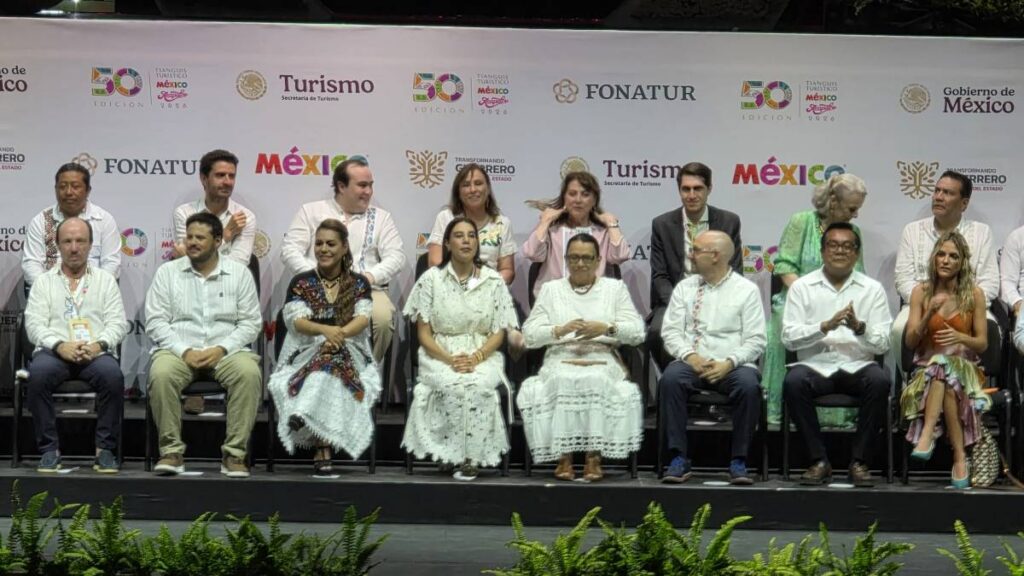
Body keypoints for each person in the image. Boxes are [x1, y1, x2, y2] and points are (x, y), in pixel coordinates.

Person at [519, 233, 644, 481]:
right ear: (565, 259)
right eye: (574, 257)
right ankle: (563, 457)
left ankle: (593, 457)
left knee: (595, 379)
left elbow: (638, 332)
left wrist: (607, 328)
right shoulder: (551, 290)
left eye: (587, 258)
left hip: (602, 355)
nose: (580, 263)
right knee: (563, 378)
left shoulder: (614, 289)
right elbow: (530, 334)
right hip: (560, 355)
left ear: (598, 260)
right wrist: (559, 330)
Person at [145, 212, 262, 478]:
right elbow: (155, 321)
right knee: (161, 374)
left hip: (226, 352)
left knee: (248, 373)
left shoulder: (239, 274)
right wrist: (183, 350)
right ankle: (171, 453)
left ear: (218, 240)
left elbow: (251, 323)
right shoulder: (167, 273)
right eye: (189, 237)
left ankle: (234, 455)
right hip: (179, 350)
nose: (192, 243)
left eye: (200, 237)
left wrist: (221, 349)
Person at [403, 217, 519, 480]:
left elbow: (498, 332)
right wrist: (450, 359)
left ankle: (470, 458)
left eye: (471, 235)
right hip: (439, 353)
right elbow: (424, 333)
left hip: (483, 354)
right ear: (447, 243)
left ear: (478, 243)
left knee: (476, 387)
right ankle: (449, 453)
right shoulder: (431, 280)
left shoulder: (493, 281)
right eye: (459, 235)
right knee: (453, 385)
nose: (466, 240)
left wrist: (476, 357)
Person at [782, 223, 892, 487]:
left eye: (847, 246)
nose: (840, 251)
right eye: (833, 245)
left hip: (857, 365)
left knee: (880, 380)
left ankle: (859, 462)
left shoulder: (872, 289)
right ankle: (818, 460)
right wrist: (824, 327)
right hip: (816, 366)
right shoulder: (802, 287)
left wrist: (859, 327)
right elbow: (788, 336)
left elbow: (884, 343)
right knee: (793, 382)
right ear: (822, 251)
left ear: (856, 253)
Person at [268, 219, 380, 475]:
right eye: (318, 244)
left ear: (344, 248)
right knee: (327, 364)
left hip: (350, 345)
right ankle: (323, 444)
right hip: (307, 348)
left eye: (331, 244)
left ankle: (305, 415)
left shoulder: (359, 283)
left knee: (330, 361)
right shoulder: (301, 282)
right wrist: (325, 331)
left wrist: (338, 335)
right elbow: (297, 321)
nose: (323, 249)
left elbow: (362, 320)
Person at [658, 231, 765, 485]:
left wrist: (728, 363)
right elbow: (670, 331)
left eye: (696, 250)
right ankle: (677, 457)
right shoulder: (685, 288)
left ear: (715, 256)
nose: (690, 255)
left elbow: (756, 339)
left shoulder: (746, 290)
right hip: (693, 362)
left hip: (733, 365)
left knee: (749, 386)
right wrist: (691, 356)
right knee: (670, 380)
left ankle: (739, 460)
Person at [24, 217, 127, 473]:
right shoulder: (44, 282)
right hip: (55, 352)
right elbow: (34, 325)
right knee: (37, 376)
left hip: (94, 352)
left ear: (91, 245)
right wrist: (59, 345)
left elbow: (118, 324)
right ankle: (49, 449)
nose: (74, 247)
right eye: (67, 241)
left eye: (80, 241)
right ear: (58, 245)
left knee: (113, 377)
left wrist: (98, 345)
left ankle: (105, 450)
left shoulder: (105, 280)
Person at [764, 173, 868, 427]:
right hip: (798, 298)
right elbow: (784, 266)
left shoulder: (853, 232)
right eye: (852, 208)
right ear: (833, 200)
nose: (856, 215)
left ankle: (839, 412)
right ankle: (776, 414)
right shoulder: (801, 222)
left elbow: (860, 275)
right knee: (782, 323)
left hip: (840, 302)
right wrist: (809, 296)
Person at [281, 158, 405, 363]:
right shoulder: (310, 211)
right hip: (316, 290)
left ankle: (363, 373)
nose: (368, 191)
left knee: (383, 320)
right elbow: (289, 250)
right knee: (298, 319)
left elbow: (397, 256)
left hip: (367, 290)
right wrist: (316, 278)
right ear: (341, 186)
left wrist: (368, 278)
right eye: (362, 185)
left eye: (371, 185)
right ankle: (311, 369)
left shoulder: (382, 218)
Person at [901, 231, 989, 489]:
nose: (946, 260)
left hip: (967, 369)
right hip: (926, 370)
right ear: (933, 258)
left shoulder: (974, 295)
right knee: (941, 370)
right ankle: (960, 457)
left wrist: (961, 336)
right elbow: (910, 342)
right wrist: (929, 313)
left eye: (953, 256)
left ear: (962, 262)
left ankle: (927, 435)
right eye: (941, 254)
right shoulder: (921, 292)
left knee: (946, 369)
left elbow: (982, 344)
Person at [894, 171, 998, 373]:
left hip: (969, 301)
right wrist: (928, 301)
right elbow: (903, 279)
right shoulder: (912, 231)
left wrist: (960, 302)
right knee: (900, 329)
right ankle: (912, 382)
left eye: (948, 193)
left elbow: (990, 282)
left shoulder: (981, 232)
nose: (938, 197)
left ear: (964, 203)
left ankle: (975, 380)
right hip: (922, 301)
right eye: (936, 191)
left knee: (990, 329)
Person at [649, 162, 743, 371]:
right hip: (675, 297)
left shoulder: (729, 221)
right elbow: (660, 276)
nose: (691, 195)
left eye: (698, 188)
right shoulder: (662, 224)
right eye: (686, 189)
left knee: (736, 328)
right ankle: (674, 378)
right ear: (679, 190)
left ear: (709, 189)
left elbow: (734, 269)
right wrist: (680, 303)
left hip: (719, 294)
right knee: (656, 331)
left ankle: (721, 376)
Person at [426, 163, 524, 355]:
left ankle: (505, 341)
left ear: (487, 189)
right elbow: (435, 263)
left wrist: (484, 282)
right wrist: (462, 283)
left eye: (478, 183)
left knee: (495, 295)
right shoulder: (446, 217)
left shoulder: (502, 223)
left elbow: (507, 270)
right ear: (458, 191)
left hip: (489, 289)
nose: (473, 189)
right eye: (466, 185)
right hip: (451, 287)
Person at [522, 171, 629, 300]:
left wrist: (611, 223)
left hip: (595, 304)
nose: (578, 200)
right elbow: (532, 253)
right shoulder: (552, 230)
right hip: (553, 304)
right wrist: (545, 222)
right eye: (572, 194)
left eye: (585, 195)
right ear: (564, 198)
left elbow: (620, 256)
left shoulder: (603, 232)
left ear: (594, 200)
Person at [22, 163, 120, 286]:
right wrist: (49, 291)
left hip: (94, 295)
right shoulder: (41, 220)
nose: (68, 192)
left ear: (88, 190)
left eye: (75, 186)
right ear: (55, 189)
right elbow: (31, 264)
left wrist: (92, 292)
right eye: (62, 187)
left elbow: (111, 264)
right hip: (51, 296)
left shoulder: (104, 220)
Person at [172, 149, 256, 264]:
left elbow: (238, 265)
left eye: (231, 176)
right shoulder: (184, 213)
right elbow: (186, 262)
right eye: (220, 175)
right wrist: (226, 235)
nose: (228, 182)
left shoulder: (245, 216)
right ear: (204, 178)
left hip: (230, 282)